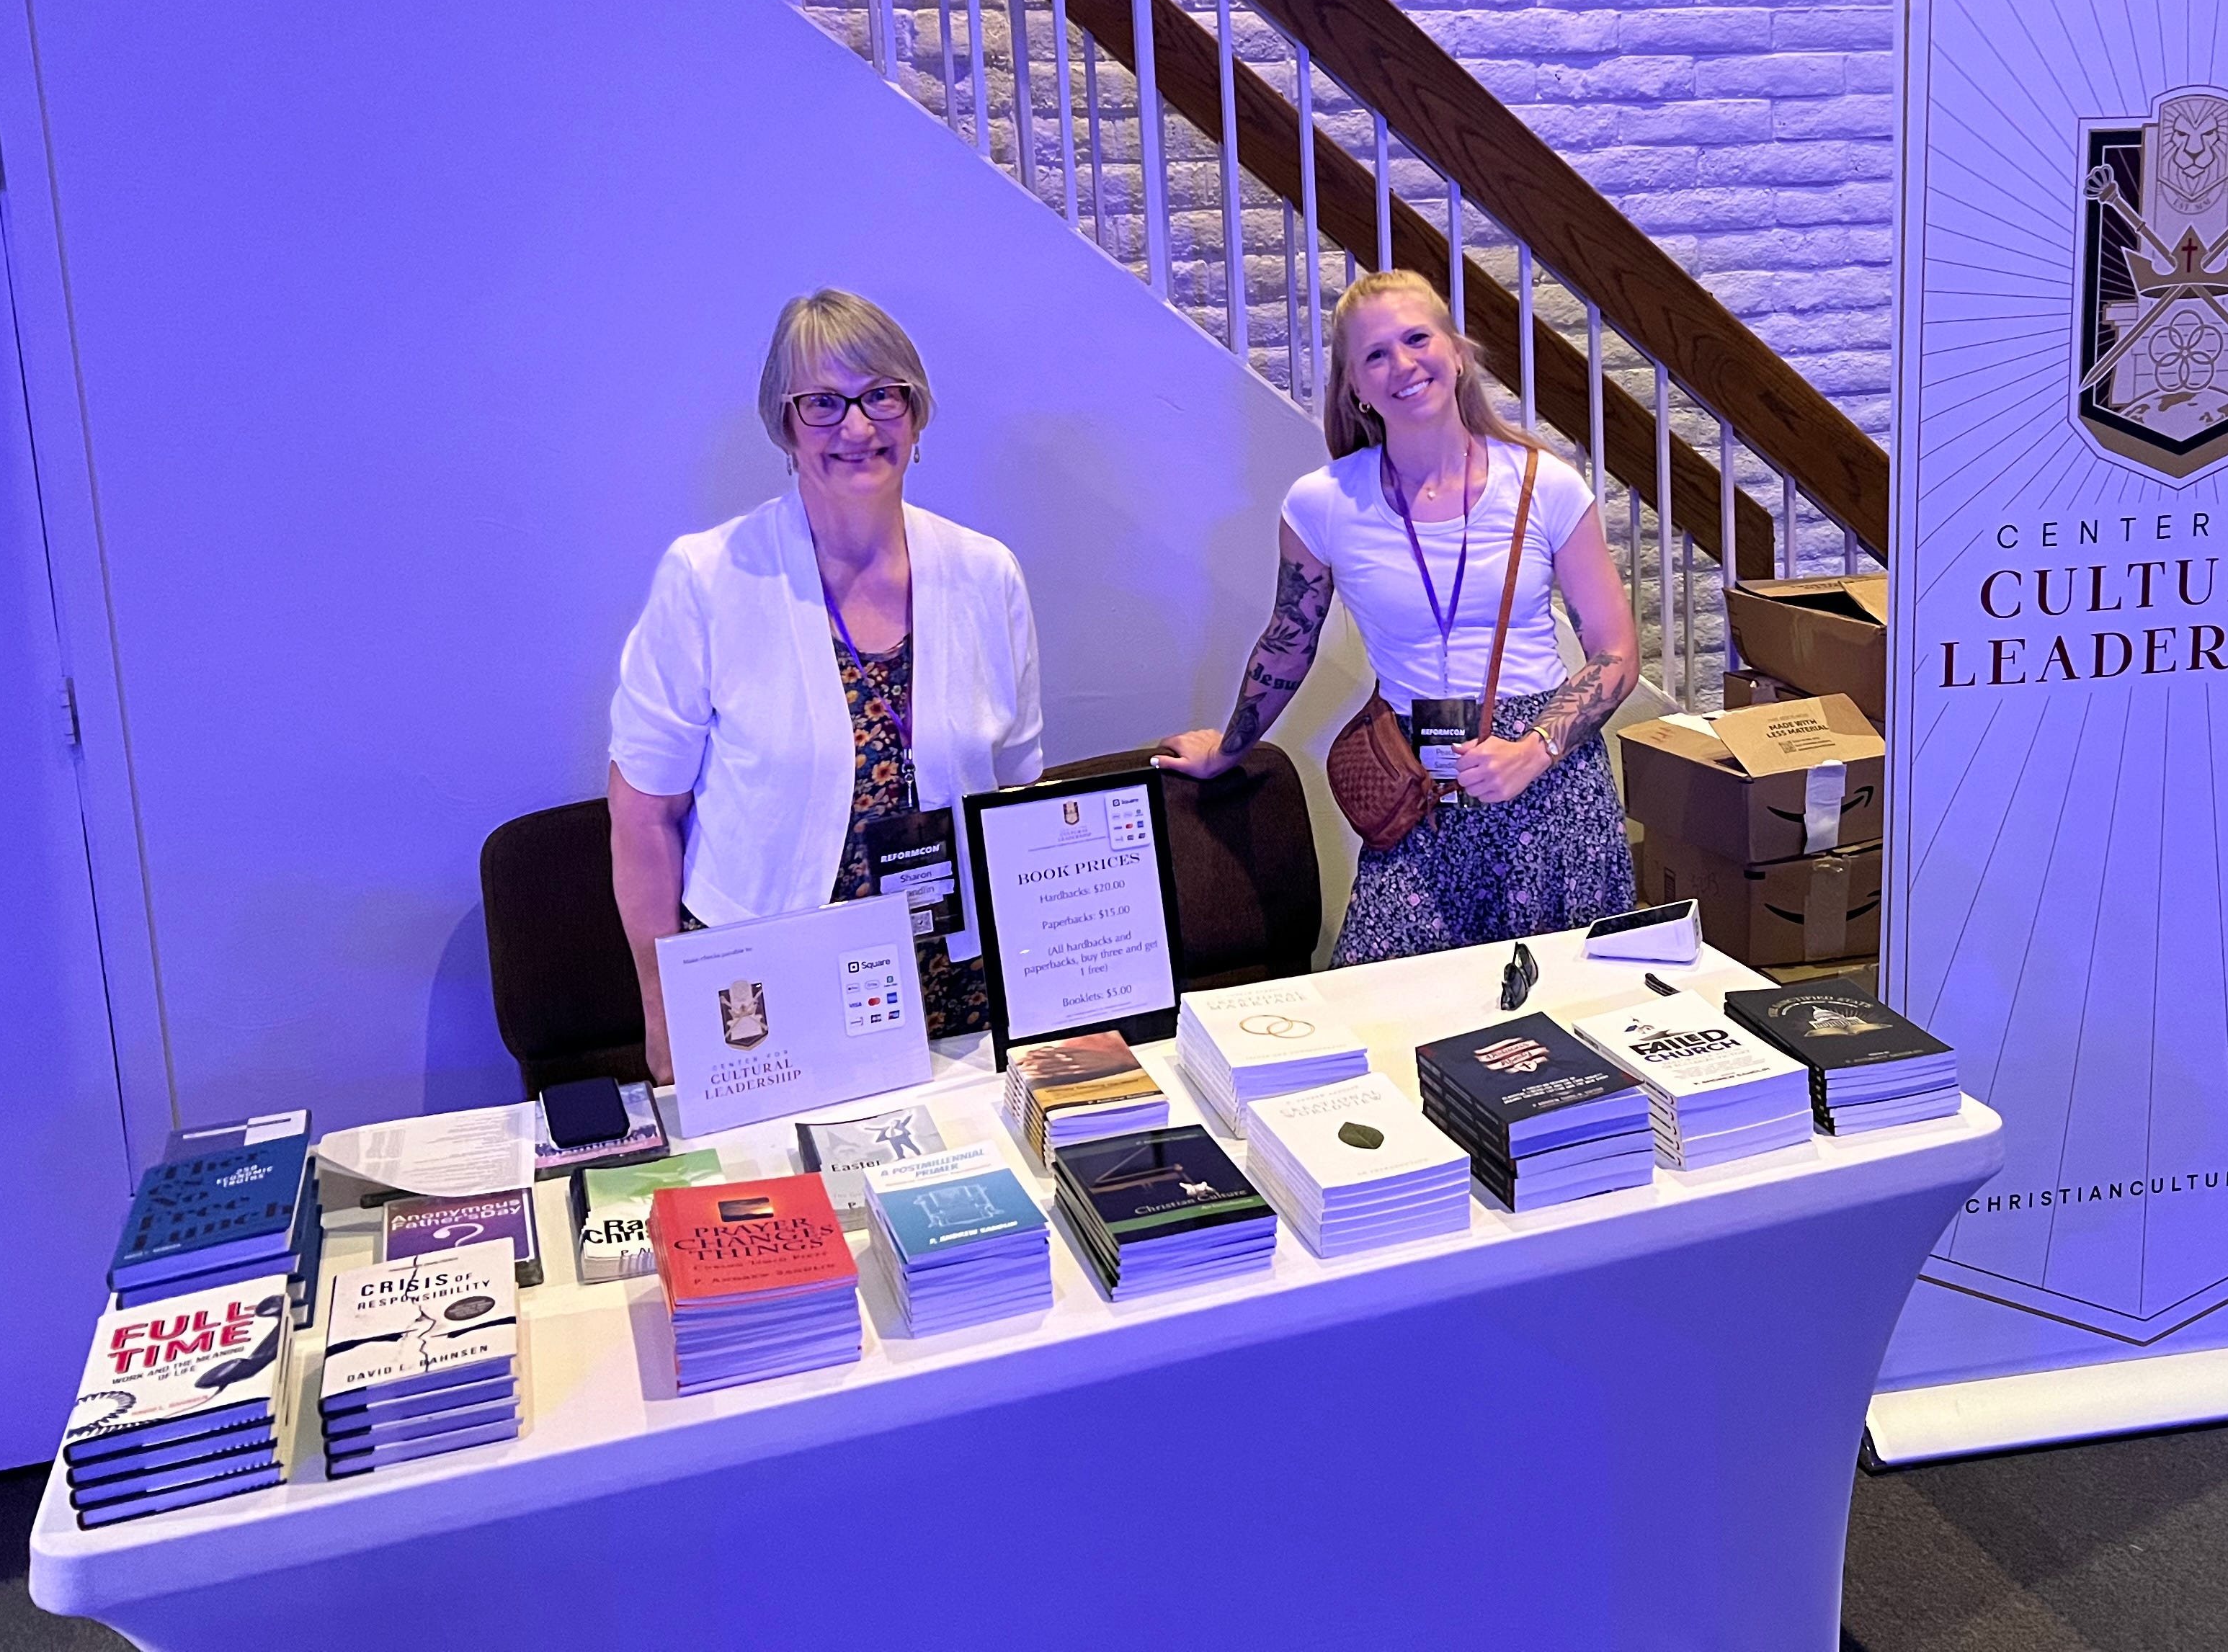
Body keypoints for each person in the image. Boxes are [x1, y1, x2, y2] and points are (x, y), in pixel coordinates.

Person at [608, 290, 1043, 1080]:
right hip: (762, 998)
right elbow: (643, 814)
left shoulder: (988, 574)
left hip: (957, 989)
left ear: (916, 413)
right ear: (784, 424)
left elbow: (1016, 796)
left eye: (882, 395)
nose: (857, 427)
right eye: (822, 403)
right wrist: (663, 1010)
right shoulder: (707, 578)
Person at [1158, 269, 1639, 962]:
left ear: (1458, 352)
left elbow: (1616, 650)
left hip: (1548, 776)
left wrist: (1532, 752)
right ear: (1355, 385)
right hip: (1412, 781)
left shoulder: (1546, 485)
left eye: (1418, 339)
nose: (1404, 365)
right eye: (1376, 354)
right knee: (1385, 999)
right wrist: (1225, 751)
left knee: (1565, 1007)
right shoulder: (1323, 503)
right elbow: (1287, 643)